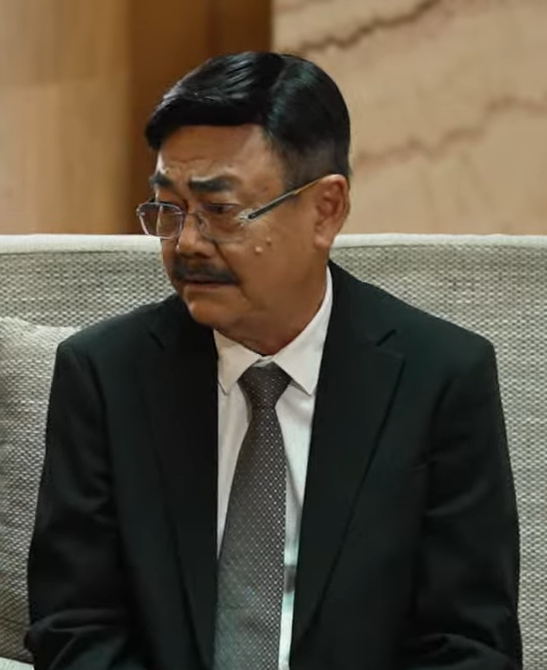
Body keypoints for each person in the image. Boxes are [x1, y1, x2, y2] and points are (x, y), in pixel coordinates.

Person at [26, 51, 521, 670]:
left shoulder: (441, 378)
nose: (186, 243)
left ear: (325, 210)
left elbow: (470, 641)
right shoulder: (105, 376)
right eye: (168, 209)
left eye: (220, 211)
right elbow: (74, 626)